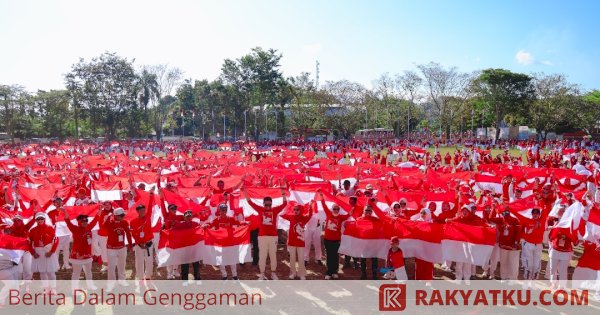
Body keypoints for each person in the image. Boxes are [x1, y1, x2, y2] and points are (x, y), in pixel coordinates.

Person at [242, 187, 287, 280]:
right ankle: (262, 273)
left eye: (269, 204)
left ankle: (273, 273)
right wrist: (245, 191)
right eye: (266, 204)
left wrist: (283, 193)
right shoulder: (260, 209)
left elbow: (285, 203)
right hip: (262, 236)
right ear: (263, 204)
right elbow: (250, 202)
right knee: (262, 255)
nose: (268, 206)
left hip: (273, 237)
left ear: (271, 204)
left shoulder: (275, 210)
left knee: (273, 255)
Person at [62, 208, 101, 290]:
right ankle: (74, 288)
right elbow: (67, 220)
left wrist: (100, 209)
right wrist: (65, 211)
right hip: (77, 257)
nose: (85, 222)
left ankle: (90, 286)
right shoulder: (75, 229)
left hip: (87, 256)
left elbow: (96, 218)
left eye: (86, 221)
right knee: (76, 273)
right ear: (79, 222)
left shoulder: (89, 227)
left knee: (88, 272)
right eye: (82, 221)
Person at [205, 203, 246, 280]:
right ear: (219, 211)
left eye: (225, 210)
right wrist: (206, 225)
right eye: (222, 210)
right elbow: (210, 224)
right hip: (220, 244)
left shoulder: (230, 219)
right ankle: (224, 276)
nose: (223, 211)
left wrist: (244, 223)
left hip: (230, 243)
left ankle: (235, 276)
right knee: (221, 260)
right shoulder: (216, 220)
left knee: (232, 260)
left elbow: (238, 223)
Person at [320, 191, 352, 279]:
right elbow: (324, 205)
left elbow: (349, 214)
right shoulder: (329, 213)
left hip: (336, 240)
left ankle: (335, 271)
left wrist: (352, 208)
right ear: (332, 209)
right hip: (327, 239)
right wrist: (322, 197)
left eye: (337, 209)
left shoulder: (341, 217)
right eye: (334, 209)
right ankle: (329, 272)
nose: (336, 210)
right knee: (329, 256)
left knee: (335, 256)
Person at [101, 207, 132, 289]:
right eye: (121, 215)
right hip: (111, 248)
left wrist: (130, 245)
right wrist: (108, 217)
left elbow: (128, 234)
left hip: (122, 247)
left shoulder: (124, 222)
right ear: (116, 215)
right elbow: (104, 226)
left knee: (122, 265)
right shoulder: (110, 222)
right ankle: (111, 284)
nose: (123, 217)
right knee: (111, 266)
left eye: (123, 215)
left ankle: (122, 280)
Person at [488, 206, 521, 280]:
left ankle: (512, 278)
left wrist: (516, 242)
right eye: (503, 212)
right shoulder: (501, 220)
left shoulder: (515, 220)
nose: (505, 213)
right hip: (503, 245)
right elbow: (490, 218)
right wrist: (493, 207)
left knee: (512, 263)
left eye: (507, 211)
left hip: (513, 246)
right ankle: (504, 277)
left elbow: (518, 232)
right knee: (503, 262)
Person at [27, 212, 58, 292]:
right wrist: (33, 253)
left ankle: (53, 289)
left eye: (41, 218)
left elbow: (56, 240)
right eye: (38, 219)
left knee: (51, 272)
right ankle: (46, 289)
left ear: (44, 219)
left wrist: (52, 251)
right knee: (42, 272)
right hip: (38, 253)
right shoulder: (32, 230)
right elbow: (28, 243)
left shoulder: (50, 228)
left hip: (48, 251)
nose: (39, 220)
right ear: (35, 220)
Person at [281, 203, 313, 280]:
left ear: (301, 210)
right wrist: (285, 203)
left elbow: (310, 214)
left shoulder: (304, 218)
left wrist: (310, 205)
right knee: (292, 258)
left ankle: (301, 273)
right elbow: (282, 214)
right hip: (291, 242)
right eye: (294, 209)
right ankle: (293, 273)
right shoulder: (291, 216)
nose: (295, 211)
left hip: (300, 242)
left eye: (297, 209)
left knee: (301, 258)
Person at [130, 197, 155, 285]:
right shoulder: (133, 222)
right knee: (139, 261)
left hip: (149, 243)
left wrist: (151, 195)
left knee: (149, 261)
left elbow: (150, 206)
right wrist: (140, 243)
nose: (143, 212)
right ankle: (141, 278)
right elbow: (133, 234)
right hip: (139, 245)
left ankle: (148, 277)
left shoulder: (148, 217)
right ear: (137, 211)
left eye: (144, 210)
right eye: (141, 211)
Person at [173, 210, 202, 284]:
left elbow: (201, 230)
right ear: (184, 217)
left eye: (190, 216)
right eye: (187, 217)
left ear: (192, 217)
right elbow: (173, 230)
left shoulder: (196, 224)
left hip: (194, 248)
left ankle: (197, 279)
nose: (189, 218)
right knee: (184, 265)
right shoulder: (180, 225)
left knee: (196, 265)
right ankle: (185, 281)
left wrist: (205, 227)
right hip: (184, 248)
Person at [520, 208, 545, 282]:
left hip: (538, 245)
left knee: (537, 263)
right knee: (528, 262)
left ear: (539, 215)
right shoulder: (528, 220)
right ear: (532, 214)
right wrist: (510, 208)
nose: (535, 215)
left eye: (537, 213)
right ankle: (527, 278)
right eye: (534, 213)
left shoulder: (542, 221)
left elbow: (545, 209)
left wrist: (541, 200)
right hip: (528, 244)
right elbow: (518, 214)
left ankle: (534, 279)